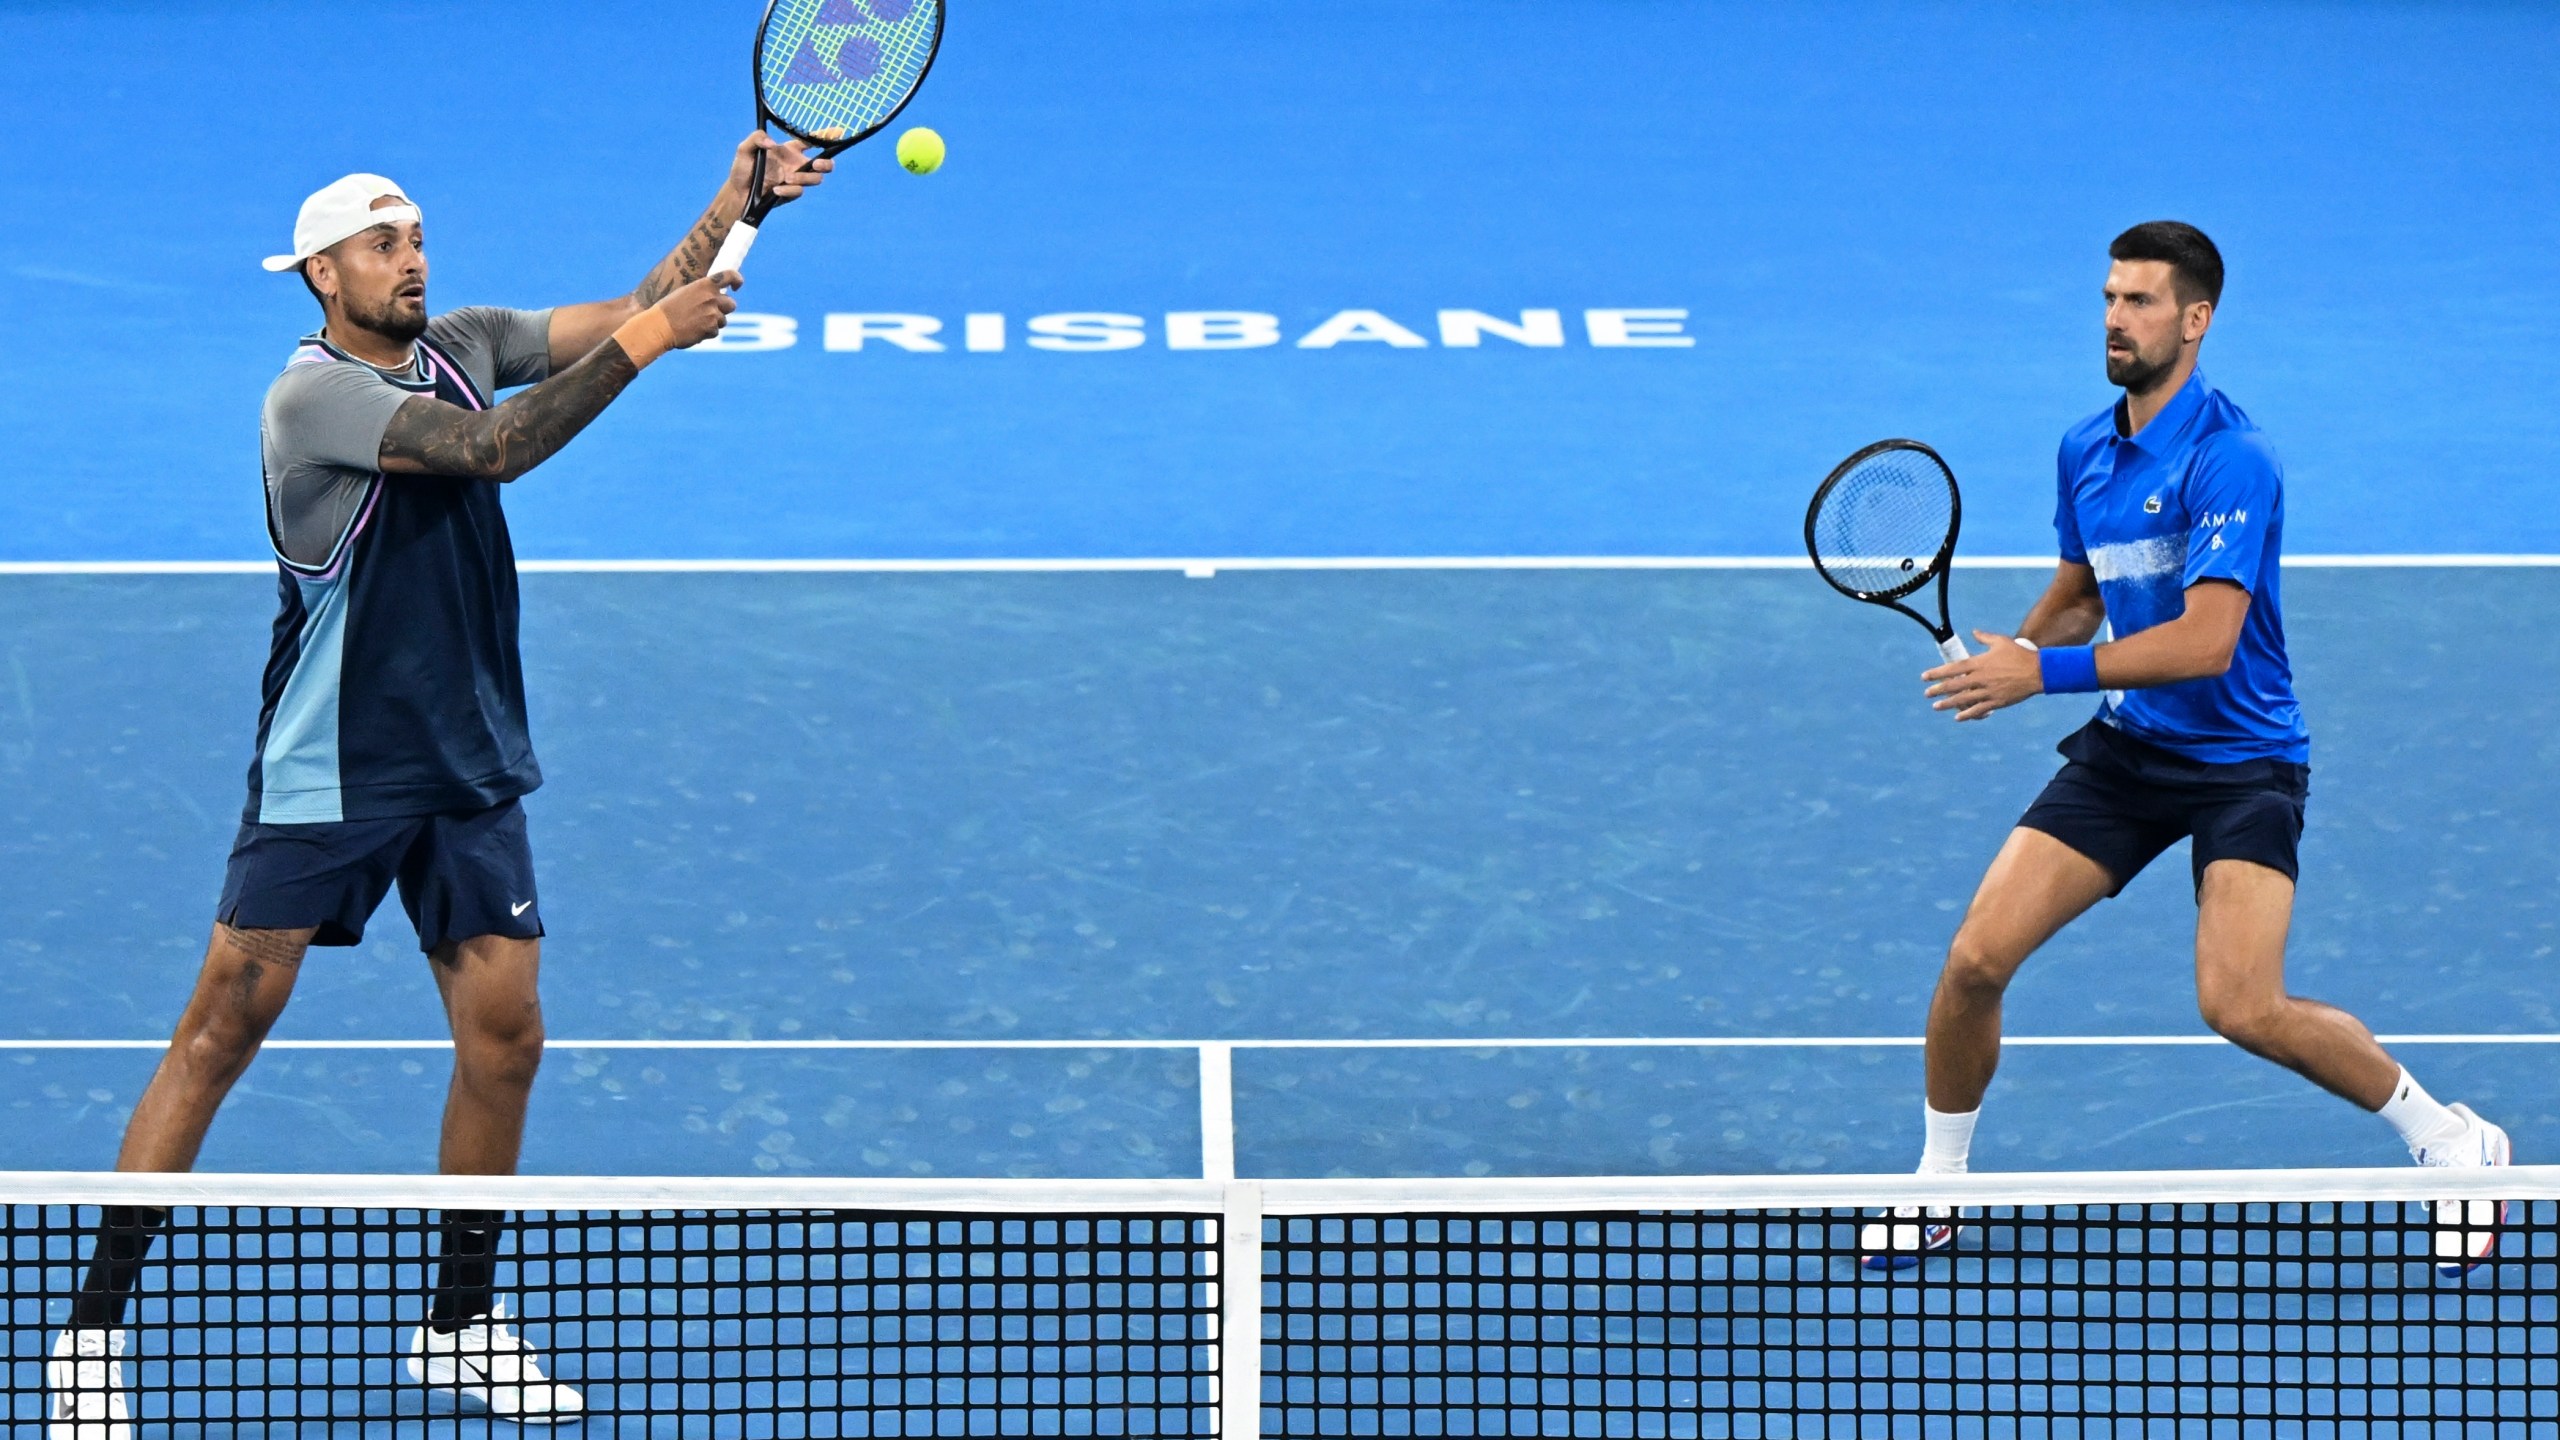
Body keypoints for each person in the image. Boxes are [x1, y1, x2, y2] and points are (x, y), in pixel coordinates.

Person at [47, 134, 831, 1437]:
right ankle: (91, 1329)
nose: (410, 262)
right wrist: (652, 346)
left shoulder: (459, 340)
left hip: (466, 755)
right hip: (336, 763)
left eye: (416, 240)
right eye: (381, 245)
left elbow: (635, 303)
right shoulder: (310, 403)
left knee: (508, 1038)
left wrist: (731, 204)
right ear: (319, 275)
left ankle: (460, 1323)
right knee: (224, 1027)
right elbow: (501, 449)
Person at [1863, 221, 2510, 1276]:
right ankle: (1938, 1183)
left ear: (2195, 320)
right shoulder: (2085, 447)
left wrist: (2046, 676)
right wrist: (2020, 653)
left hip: (2244, 762)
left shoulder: (2231, 456)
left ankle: (2450, 1138)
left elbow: (2206, 642)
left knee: (2239, 1005)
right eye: (2109, 299)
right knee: (1975, 961)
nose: (2116, 319)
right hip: (2130, 755)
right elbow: (2082, 596)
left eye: (2141, 302)